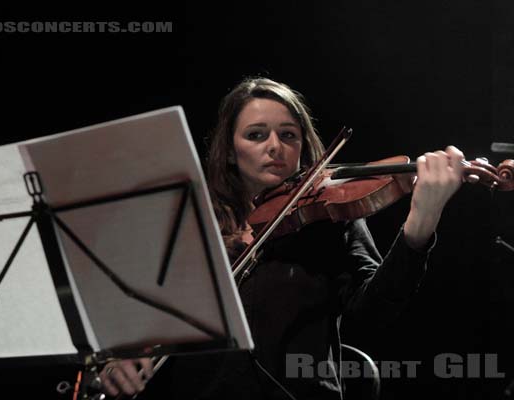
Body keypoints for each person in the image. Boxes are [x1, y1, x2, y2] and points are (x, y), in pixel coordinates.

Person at [98, 77, 465, 399]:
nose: (274, 145)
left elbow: (372, 315)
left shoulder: (330, 218)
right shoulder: (193, 223)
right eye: (256, 135)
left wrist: (420, 222)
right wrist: (122, 356)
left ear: (303, 147)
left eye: (288, 135)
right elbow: (142, 313)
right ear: (229, 150)